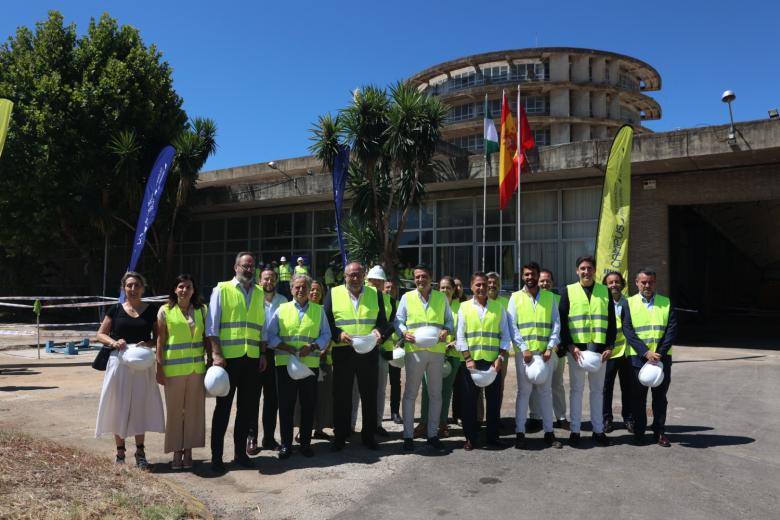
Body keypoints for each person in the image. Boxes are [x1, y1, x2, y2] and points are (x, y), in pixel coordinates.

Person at [95, 272, 164, 471]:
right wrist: (114, 342)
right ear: (124, 288)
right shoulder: (115, 309)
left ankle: (140, 452)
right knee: (119, 405)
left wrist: (148, 342)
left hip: (142, 365)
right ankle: (120, 452)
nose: (132, 289)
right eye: (129, 286)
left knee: (139, 406)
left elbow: (158, 338)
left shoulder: (152, 311)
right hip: (119, 363)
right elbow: (100, 334)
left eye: (136, 286)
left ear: (143, 288)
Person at [206, 252, 267, 473]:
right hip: (228, 360)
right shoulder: (221, 289)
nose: (248, 269)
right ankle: (216, 457)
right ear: (235, 267)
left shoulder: (259, 293)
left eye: (251, 266)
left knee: (246, 409)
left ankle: (240, 454)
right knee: (223, 409)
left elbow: (261, 327)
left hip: (251, 359)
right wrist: (217, 354)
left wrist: (262, 354)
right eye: (244, 266)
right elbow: (212, 327)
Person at [324, 261, 391, 451]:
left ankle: (368, 436)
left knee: (369, 396)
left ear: (364, 276)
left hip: (369, 351)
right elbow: (326, 321)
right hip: (343, 351)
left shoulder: (375, 294)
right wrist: (338, 334)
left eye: (358, 274)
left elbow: (383, 322)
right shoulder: (333, 293)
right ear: (345, 277)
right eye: (351, 275)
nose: (355, 278)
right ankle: (340, 436)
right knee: (342, 396)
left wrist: (380, 333)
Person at [267, 274, 331, 459]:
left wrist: (312, 346)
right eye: (297, 287)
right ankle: (286, 445)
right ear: (291, 288)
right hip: (285, 365)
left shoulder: (318, 311)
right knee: (286, 407)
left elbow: (326, 335)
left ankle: (305, 444)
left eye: (304, 287)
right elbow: (271, 335)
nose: (301, 290)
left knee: (308, 406)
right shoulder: (281, 309)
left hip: (309, 365)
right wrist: (284, 346)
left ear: (309, 288)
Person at [559, 255, 617, 447]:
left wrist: (609, 346)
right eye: (582, 268)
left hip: (600, 351)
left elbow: (611, 322)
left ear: (594, 270)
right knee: (576, 391)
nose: (586, 272)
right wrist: (570, 346)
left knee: (597, 391)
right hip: (577, 350)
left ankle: (598, 430)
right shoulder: (568, 291)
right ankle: (575, 431)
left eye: (589, 268)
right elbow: (562, 323)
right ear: (577, 271)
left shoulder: (604, 291)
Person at [396, 264, 453, 454]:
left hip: (436, 351)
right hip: (415, 350)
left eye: (424, 276)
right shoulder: (407, 297)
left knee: (436, 393)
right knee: (411, 393)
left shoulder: (441, 297)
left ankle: (432, 435)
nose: (420, 280)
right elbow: (398, 320)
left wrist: (446, 330)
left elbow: (449, 322)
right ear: (414, 279)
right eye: (417, 277)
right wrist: (404, 333)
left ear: (431, 278)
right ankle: (408, 436)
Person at [508, 262, 563, 449]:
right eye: (526, 275)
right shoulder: (515, 298)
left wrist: (550, 347)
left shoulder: (549, 297)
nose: (529, 277)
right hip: (525, 356)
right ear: (522, 277)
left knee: (545, 393)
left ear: (538, 275)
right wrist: (523, 349)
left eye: (532, 274)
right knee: (523, 393)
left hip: (544, 355)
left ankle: (549, 432)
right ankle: (520, 433)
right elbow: (512, 326)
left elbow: (556, 324)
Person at [156, 274, 208, 470]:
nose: (184, 290)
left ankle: (189, 452)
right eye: (180, 287)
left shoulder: (202, 310)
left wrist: (211, 361)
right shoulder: (165, 311)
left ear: (193, 290)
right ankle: (176, 451)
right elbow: (160, 341)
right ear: (175, 290)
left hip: (197, 370)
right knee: (176, 412)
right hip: (174, 370)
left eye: (188, 287)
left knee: (194, 412)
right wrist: (159, 367)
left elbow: (206, 338)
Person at [457, 272, 513, 450]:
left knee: (494, 401)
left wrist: (501, 358)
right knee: (469, 402)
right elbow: (460, 336)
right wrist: (467, 358)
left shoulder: (498, 308)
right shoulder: (464, 307)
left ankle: (493, 437)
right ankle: (470, 438)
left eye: (484, 285)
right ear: (472, 286)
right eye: (478, 285)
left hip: (492, 362)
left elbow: (505, 336)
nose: (481, 288)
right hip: (471, 363)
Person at [626, 268, 677, 447]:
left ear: (655, 282)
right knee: (638, 398)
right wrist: (646, 353)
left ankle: (659, 432)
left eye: (651, 282)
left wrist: (659, 353)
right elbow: (628, 331)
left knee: (660, 397)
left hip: (662, 359)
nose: (647, 285)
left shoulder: (666, 302)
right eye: (644, 282)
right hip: (639, 359)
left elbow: (671, 330)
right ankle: (639, 432)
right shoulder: (629, 303)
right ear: (637, 283)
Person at [246, 267, 287, 455]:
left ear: (276, 281)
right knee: (252, 397)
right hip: (254, 354)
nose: (268, 282)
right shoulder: (253, 299)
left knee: (273, 399)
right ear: (259, 281)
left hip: (275, 354)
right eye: (265, 279)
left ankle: (269, 438)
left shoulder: (283, 301)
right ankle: (251, 437)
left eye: (272, 279)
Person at [417, 276, 462, 439]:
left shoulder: (460, 308)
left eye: (447, 288)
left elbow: (464, 333)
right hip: (431, 352)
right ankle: (424, 423)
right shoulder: (434, 304)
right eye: (441, 288)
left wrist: (452, 344)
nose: (444, 290)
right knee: (427, 390)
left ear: (453, 289)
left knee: (445, 391)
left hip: (452, 355)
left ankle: (442, 423)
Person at [530, 268, 569, 430]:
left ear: (552, 283)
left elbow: (565, 324)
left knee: (557, 384)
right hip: (539, 350)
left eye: (548, 281)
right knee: (536, 383)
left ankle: (560, 417)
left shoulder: (560, 299)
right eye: (542, 281)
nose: (545, 283)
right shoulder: (533, 300)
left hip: (557, 349)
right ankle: (535, 417)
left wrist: (561, 344)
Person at [365, 266, 397, 437]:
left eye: (379, 282)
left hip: (381, 350)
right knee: (356, 390)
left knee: (380, 389)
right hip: (360, 349)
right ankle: (351, 427)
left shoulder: (389, 301)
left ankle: (377, 424)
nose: (375, 285)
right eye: (372, 282)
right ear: (366, 280)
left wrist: (381, 338)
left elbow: (392, 324)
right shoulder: (359, 297)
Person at [602, 271, 634, 434]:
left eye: (616, 282)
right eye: (610, 282)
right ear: (605, 286)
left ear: (622, 284)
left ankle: (628, 419)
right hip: (608, 353)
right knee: (606, 388)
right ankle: (606, 419)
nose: (613, 285)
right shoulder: (601, 303)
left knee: (627, 388)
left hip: (626, 353)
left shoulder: (629, 303)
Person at [487, 271, 509, 426]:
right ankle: (479, 418)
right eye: (489, 282)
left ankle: (494, 417)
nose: (492, 285)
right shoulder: (478, 302)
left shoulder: (506, 303)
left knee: (499, 385)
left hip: (501, 351)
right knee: (480, 386)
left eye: (495, 283)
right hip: (480, 351)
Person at [384, 279, 403, 425]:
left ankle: (395, 412)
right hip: (382, 350)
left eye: (392, 287)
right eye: (387, 287)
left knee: (395, 382)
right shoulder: (379, 304)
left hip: (396, 350)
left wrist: (400, 343)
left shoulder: (400, 306)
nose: (390, 289)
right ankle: (377, 416)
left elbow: (405, 325)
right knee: (379, 383)